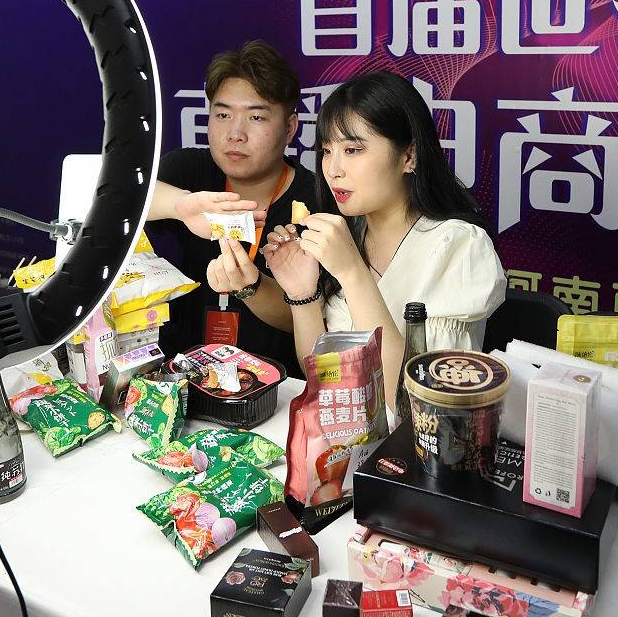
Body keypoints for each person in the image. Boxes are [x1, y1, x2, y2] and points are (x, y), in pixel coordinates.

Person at [207, 71, 506, 412]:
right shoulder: (352, 234)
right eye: (327, 150)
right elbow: (324, 379)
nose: (333, 169)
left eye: (353, 149)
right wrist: (302, 294)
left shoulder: (459, 245)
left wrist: (352, 272)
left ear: (409, 156)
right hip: (343, 433)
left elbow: (415, 400)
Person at [146, 40, 317, 375]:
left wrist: (250, 287)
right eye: (223, 115)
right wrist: (181, 206)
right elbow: (124, 200)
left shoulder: (315, 201)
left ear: (290, 128)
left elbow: (311, 317)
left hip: (278, 383)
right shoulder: (190, 170)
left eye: (256, 117)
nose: (235, 133)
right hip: (186, 375)